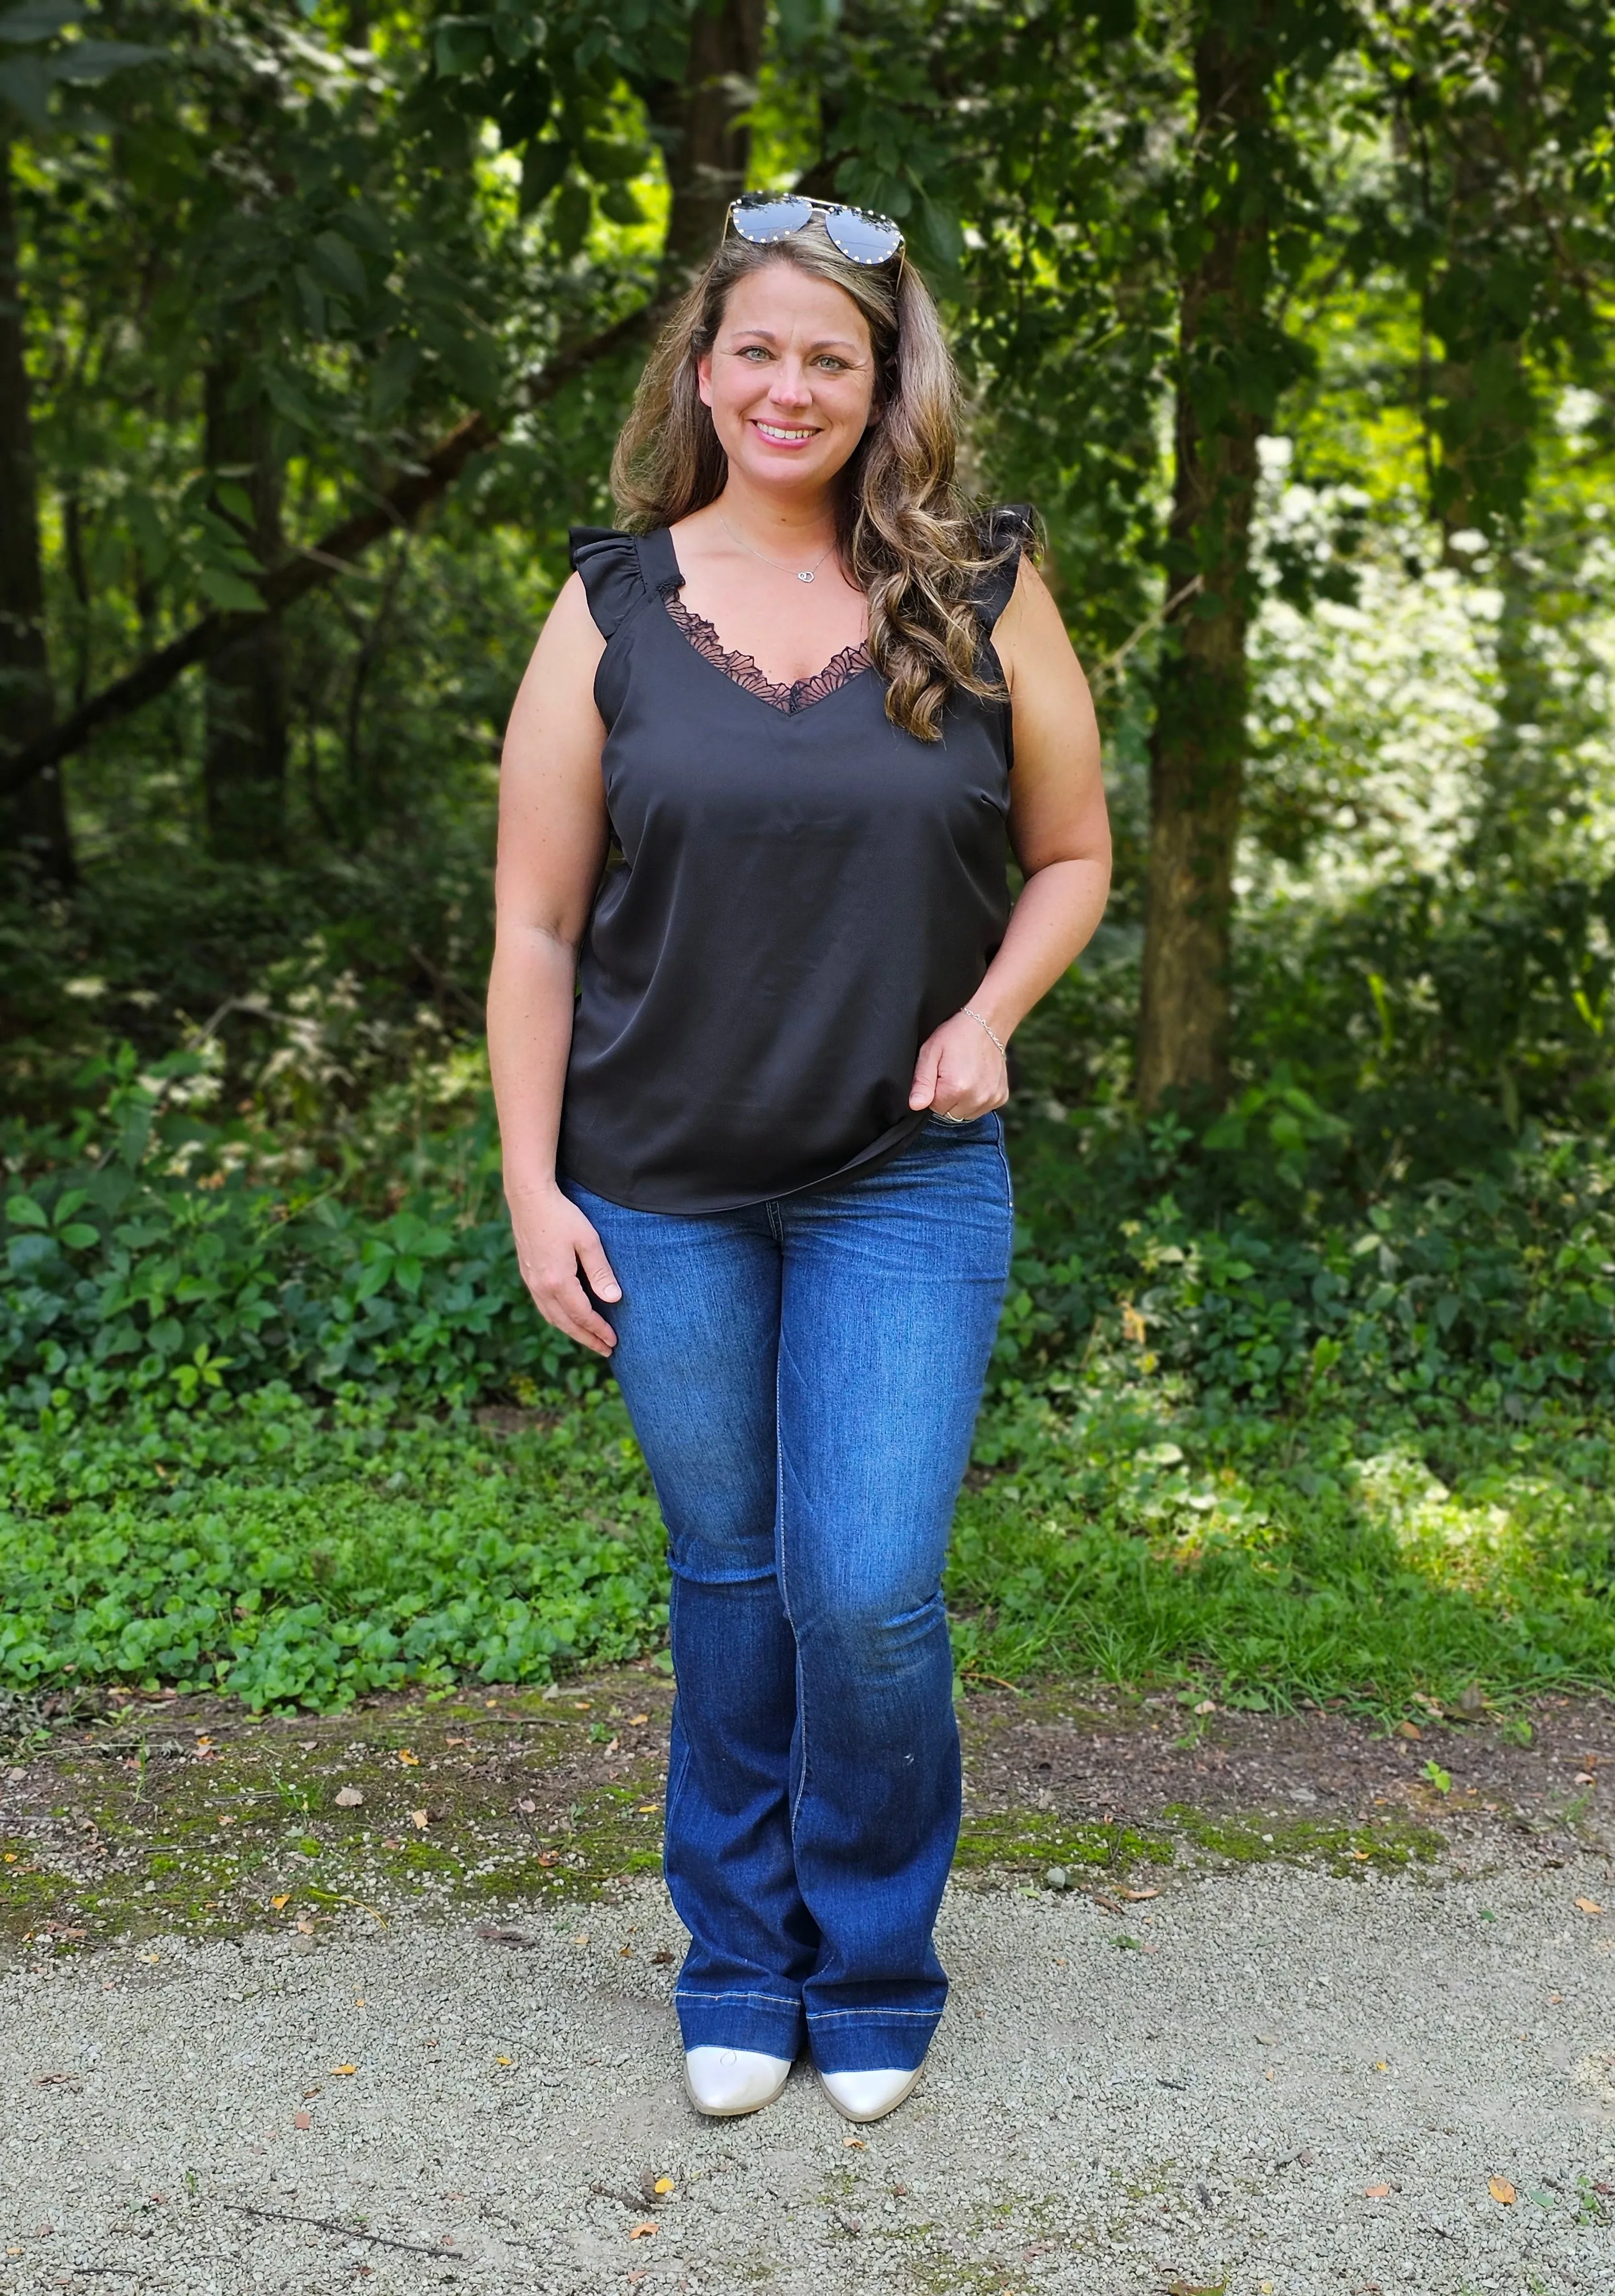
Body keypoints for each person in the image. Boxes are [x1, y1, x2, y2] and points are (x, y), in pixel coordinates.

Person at [487, 192, 1108, 2127]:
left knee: (866, 1587)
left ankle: (874, 1956)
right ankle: (739, 1960)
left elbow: (1074, 856)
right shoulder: (611, 604)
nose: (789, 384)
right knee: (731, 1578)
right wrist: (531, 1189)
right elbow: (530, 930)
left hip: (900, 1179)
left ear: (881, 384)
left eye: (830, 356)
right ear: (703, 369)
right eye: (756, 347)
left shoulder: (984, 586)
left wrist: (991, 1014)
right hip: (656, 1183)